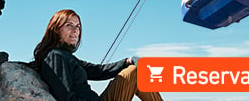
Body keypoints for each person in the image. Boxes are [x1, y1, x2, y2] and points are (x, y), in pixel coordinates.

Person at [31, 9, 162, 101]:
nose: (75, 30)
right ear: (56, 29)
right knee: (135, 73)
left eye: (78, 26)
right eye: (69, 25)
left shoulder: (66, 56)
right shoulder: (55, 57)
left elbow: (97, 71)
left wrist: (127, 61)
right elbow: (66, 98)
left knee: (136, 72)